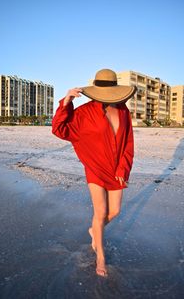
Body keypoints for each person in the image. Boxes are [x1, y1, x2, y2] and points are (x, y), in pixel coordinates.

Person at [52, 69, 137, 277]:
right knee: (100, 213)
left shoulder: (123, 111)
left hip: (116, 169)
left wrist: (122, 168)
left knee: (114, 211)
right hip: (95, 168)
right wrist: (66, 101)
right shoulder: (85, 112)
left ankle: (94, 230)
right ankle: (100, 256)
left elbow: (128, 143)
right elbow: (59, 129)